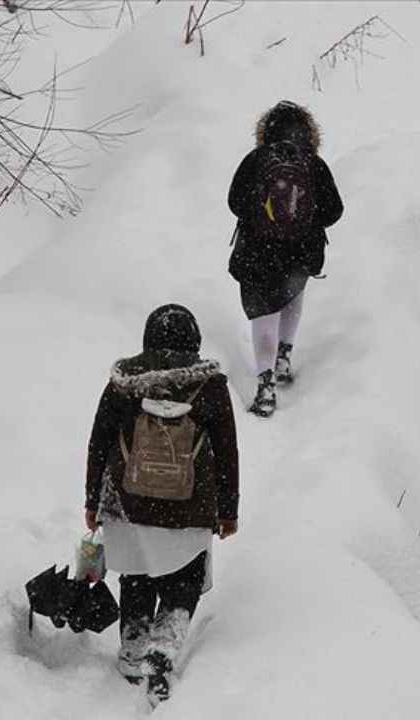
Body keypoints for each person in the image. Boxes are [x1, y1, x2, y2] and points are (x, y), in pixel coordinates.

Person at [84, 304, 239, 706]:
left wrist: (91, 501)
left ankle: (133, 648)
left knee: (136, 572)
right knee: (183, 577)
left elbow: (99, 442)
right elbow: (226, 451)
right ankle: (163, 649)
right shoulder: (211, 386)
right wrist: (229, 510)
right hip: (190, 505)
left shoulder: (124, 383)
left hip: (128, 502)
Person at [227, 100, 344, 417]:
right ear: (309, 133)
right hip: (299, 253)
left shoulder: (256, 160)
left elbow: (234, 202)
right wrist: (303, 221)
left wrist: (261, 216)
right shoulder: (313, 164)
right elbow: (335, 211)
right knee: (292, 293)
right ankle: (284, 357)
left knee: (263, 314)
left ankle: (265, 385)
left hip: (257, 254)